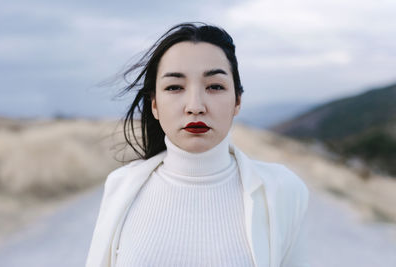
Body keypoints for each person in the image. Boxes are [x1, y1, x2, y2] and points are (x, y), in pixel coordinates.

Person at [86, 22, 310, 267]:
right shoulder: (121, 187)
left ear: (237, 101)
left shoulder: (283, 191)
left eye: (214, 86)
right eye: (174, 87)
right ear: (154, 105)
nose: (195, 106)